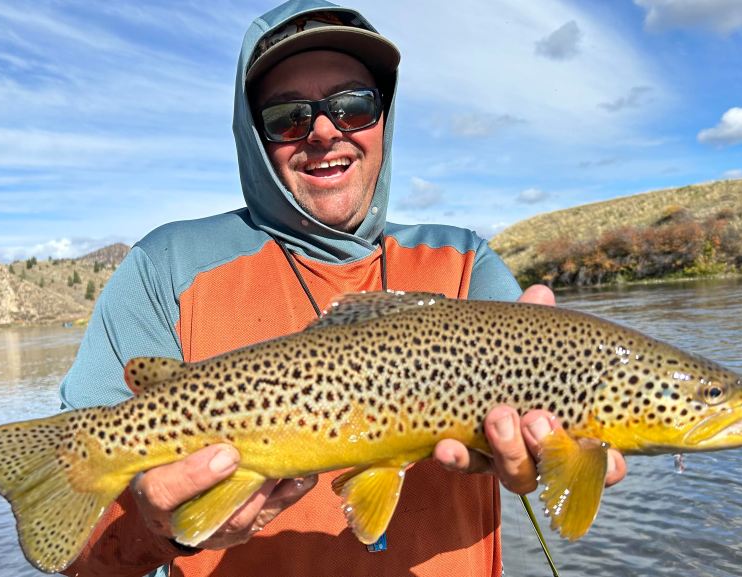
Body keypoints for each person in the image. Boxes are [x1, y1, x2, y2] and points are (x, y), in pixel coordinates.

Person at [59, 1, 626, 576]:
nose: (325, 132)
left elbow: (537, 401)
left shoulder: (463, 259)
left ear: (384, 119)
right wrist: (159, 532)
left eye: (353, 106)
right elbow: (77, 562)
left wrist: (547, 443)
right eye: (288, 117)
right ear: (254, 136)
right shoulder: (165, 268)